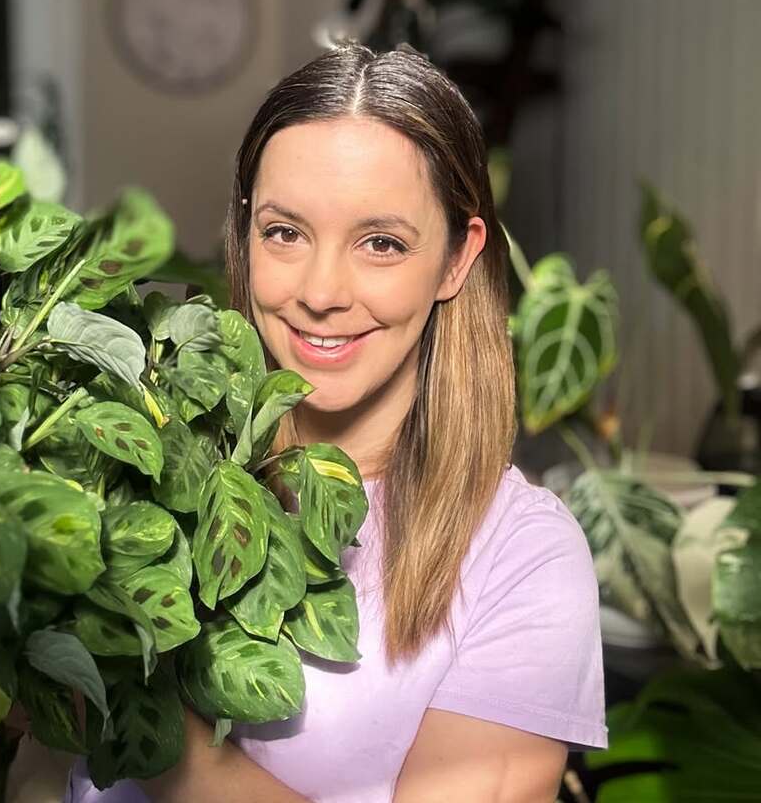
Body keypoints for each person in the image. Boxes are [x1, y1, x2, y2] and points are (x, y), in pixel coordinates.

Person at [65, 42, 608, 802]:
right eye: (285, 232)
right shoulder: (139, 469)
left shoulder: (522, 557)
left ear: (457, 259)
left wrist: (161, 743)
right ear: (245, 235)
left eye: (380, 243)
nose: (321, 291)